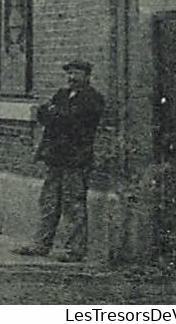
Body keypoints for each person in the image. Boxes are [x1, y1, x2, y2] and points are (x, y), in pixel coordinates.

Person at [16, 60, 107, 262]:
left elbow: (73, 122)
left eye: (76, 74)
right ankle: (41, 244)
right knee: (49, 202)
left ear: (87, 76)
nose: (71, 78)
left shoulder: (92, 99)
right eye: (69, 74)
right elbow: (42, 114)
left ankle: (74, 250)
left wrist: (54, 114)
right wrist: (54, 114)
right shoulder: (61, 94)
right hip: (55, 157)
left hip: (76, 159)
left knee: (73, 203)